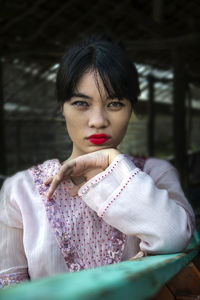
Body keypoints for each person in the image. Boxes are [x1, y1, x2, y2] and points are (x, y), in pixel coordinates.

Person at [0, 35, 195, 288]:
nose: (98, 120)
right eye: (81, 103)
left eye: (115, 103)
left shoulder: (155, 174)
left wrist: (111, 160)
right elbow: (9, 287)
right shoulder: (20, 191)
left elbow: (175, 236)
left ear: (131, 108)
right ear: (62, 107)